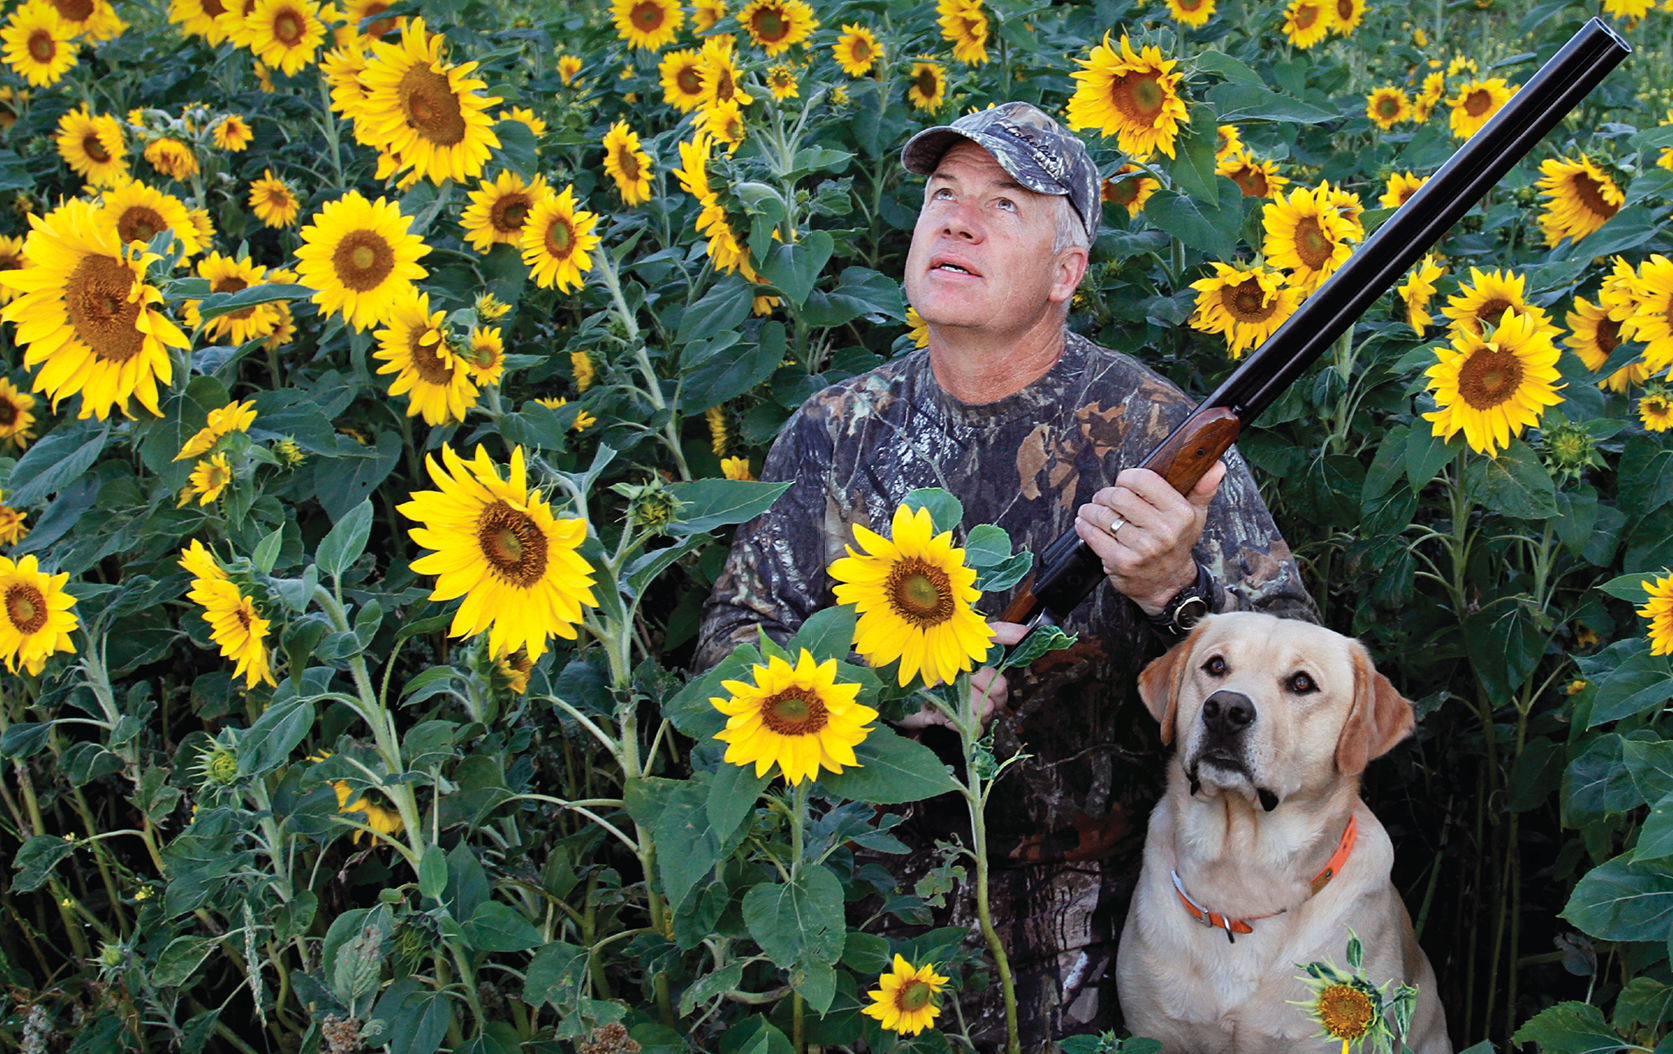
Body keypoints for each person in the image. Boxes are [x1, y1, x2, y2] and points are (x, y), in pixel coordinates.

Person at [693, 101, 1318, 1049]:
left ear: (1067, 271)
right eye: (942, 195)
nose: (954, 218)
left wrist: (1172, 594)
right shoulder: (835, 429)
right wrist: (882, 694)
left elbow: (1302, 675)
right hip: (853, 901)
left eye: (1005, 204)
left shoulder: (1152, 430)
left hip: (1094, 921)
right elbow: (728, 645)